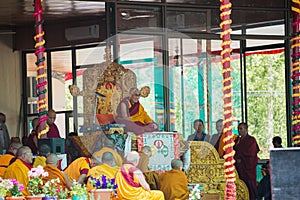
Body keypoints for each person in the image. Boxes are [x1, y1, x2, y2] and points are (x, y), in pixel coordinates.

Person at [234, 122, 260, 200]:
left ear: (246, 129)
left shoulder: (251, 140)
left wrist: (240, 157)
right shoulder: (237, 140)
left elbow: (251, 153)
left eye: (241, 129)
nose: (239, 131)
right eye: (238, 129)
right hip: (239, 168)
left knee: (250, 187)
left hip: (248, 168)